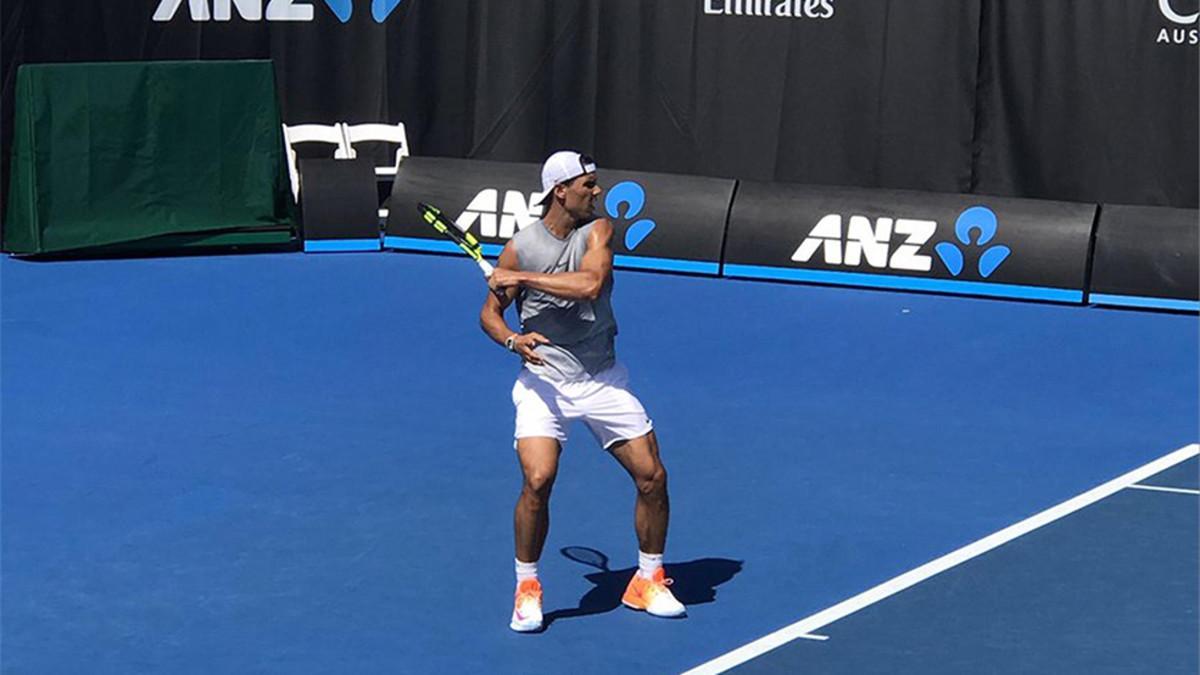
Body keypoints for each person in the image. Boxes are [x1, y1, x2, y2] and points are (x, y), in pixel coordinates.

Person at [480, 150, 685, 633]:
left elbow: (592, 285)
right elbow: (489, 315)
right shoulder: (520, 247)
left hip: (602, 379)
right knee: (538, 480)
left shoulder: (598, 232)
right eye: (589, 185)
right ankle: (526, 587)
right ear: (561, 191)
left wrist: (521, 279)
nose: (598, 193)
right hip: (544, 384)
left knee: (652, 476)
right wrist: (513, 339)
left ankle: (648, 579)